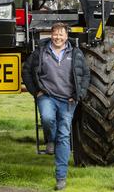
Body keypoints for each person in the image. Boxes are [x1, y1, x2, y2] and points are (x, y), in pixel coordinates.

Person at [22, 22, 90, 190]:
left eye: (61, 34)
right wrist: (35, 91)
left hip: (68, 100)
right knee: (47, 118)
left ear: (66, 36)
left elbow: (85, 74)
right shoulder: (40, 52)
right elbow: (26, 71)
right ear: (50, 35)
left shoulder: (76, 53)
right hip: (46, 96)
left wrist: (79, 95)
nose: (58, 37)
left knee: (64, 136)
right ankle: (49, 139)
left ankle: (61, 177)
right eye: (55, 34)